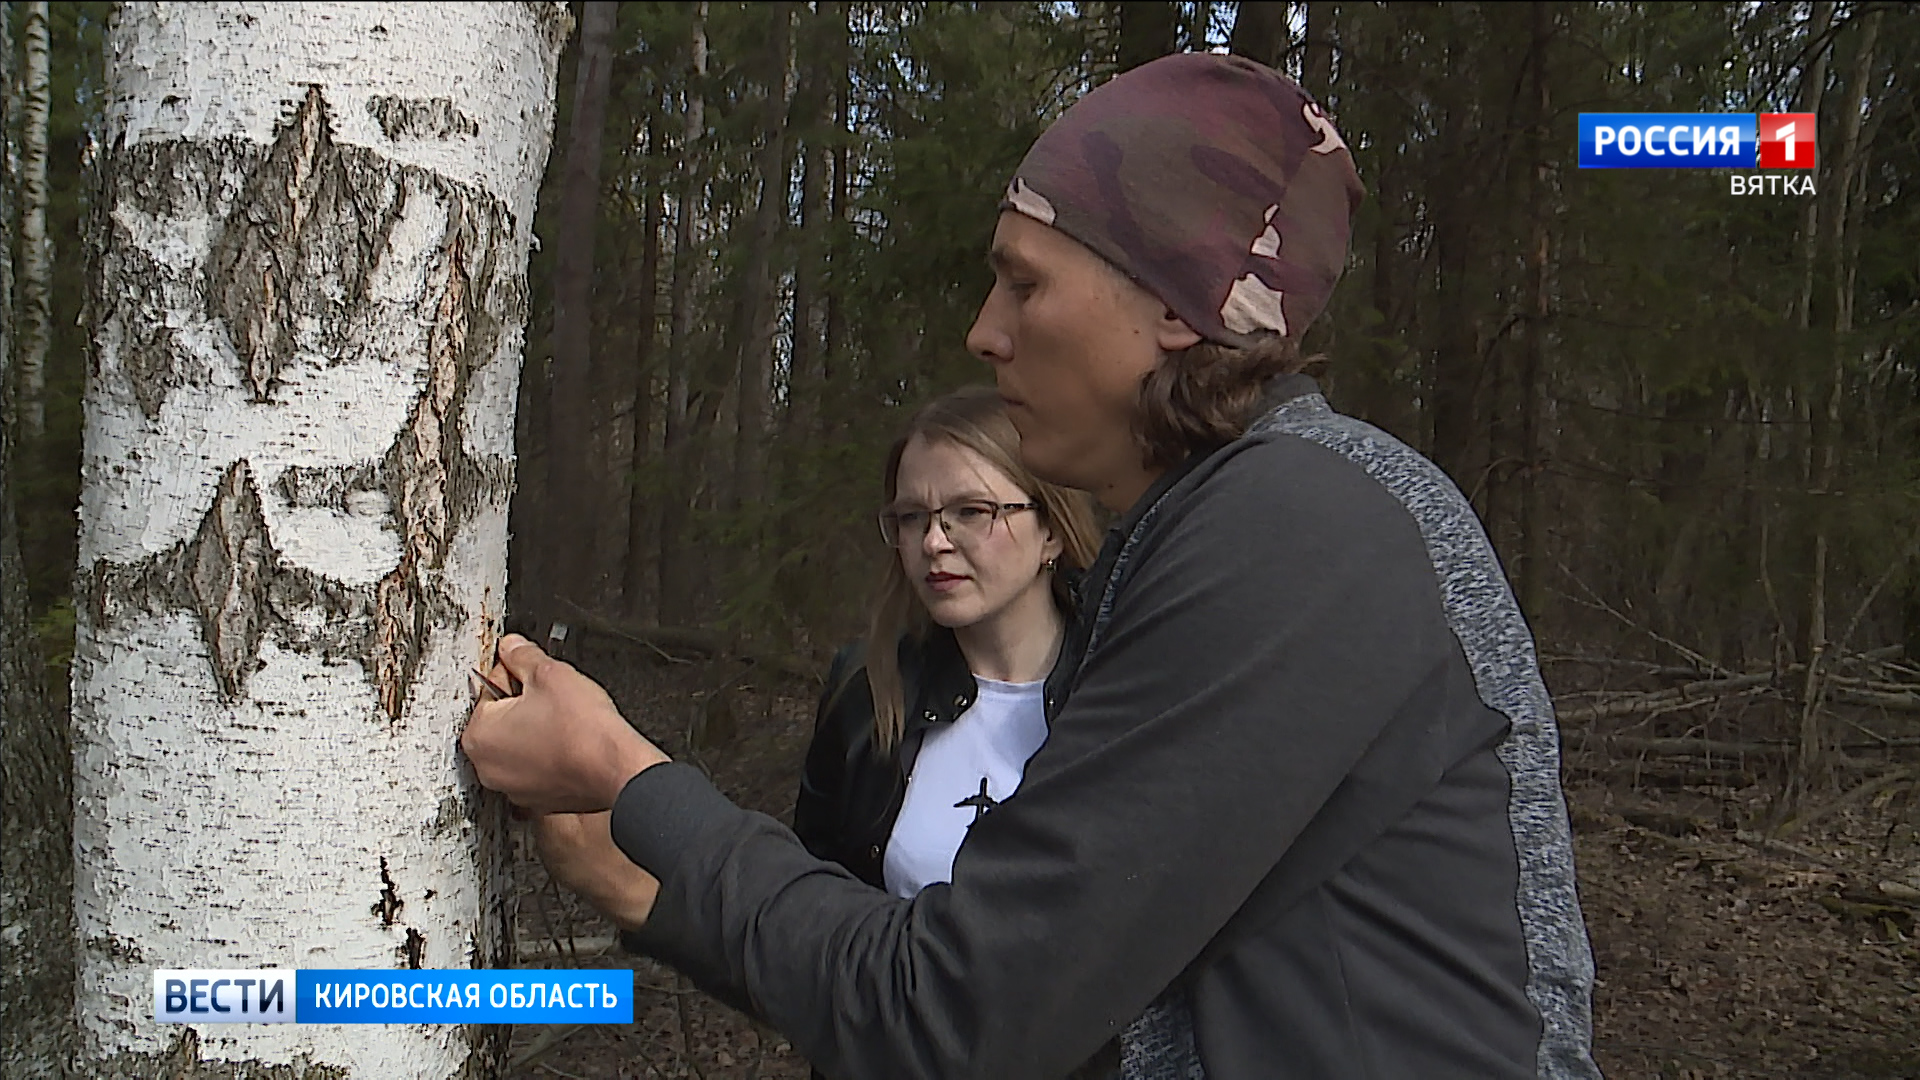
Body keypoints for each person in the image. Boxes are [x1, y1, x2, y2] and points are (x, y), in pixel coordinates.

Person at [466, 53, 1600, 1080]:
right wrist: (638, 884)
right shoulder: (1220, 531)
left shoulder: (1296, 524)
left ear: (1173, 303)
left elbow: (958, 1014)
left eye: (1024, 283)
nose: (983, 330)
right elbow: (1038, 1009)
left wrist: (631, 778)